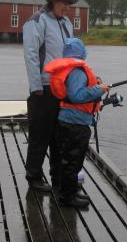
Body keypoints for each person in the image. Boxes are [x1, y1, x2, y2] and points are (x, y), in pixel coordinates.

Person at [44, 38, 110, 208]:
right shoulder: (78, 72)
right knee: (73, 162)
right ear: (81, 52)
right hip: (75, 123)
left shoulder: (68, 69)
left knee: (68, 160)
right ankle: (67, 198)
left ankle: (67, 193)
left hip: (68, 120)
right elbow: (77, 96)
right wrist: (99, 89)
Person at [23, 0, 77, 192]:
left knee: (59, 137)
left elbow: (71, 55)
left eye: (70, 4)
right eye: (64, 3)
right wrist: (36, 86)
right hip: (43, 89)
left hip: (62, 88)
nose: (68, 8)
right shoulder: (36, 22)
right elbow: (31, 55)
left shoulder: (67, 23)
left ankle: (58, 178)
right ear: (53, 2)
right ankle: (34, 176)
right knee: (40, 135)